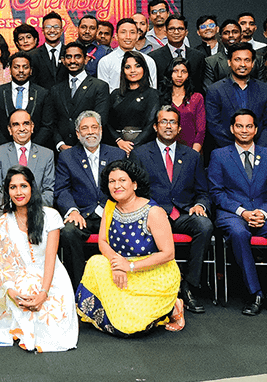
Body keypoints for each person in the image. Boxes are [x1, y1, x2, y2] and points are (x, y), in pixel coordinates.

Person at [76, 158, 184, 335]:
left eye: (122, 180)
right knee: (95, 263)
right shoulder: (110, 207)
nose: (116, 185)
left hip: (153, 272)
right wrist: (117, 264)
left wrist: (131, 266)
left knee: (128, 327)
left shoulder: (153, 212)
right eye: (112, 181)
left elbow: (168, 253)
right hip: (122, 267)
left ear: (134, 184)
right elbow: (102, 241)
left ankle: (173, 307)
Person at [207, 110, 267, 317]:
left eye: (249, 126)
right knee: (239, 234)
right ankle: (254, 292)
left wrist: (263, 213)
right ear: (232, 129)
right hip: (233, 213)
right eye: (239, 126)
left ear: (256, 129)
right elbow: (216, 192)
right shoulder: (219, 155)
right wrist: (243, 212)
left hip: (265, 212)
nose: (244, 130)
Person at [132, 105, 213, 313]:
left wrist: (200, 205)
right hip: (153, 214)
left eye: (173, 122)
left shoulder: (192, 156)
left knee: (204, 225)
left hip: (184, 213)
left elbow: (203, 191)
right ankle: (155, 289)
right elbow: (133, 191)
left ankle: (188, 287)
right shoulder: (140, 153)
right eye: (164, 122)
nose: (168, 126)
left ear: (179, 129)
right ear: (155, 126)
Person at [0, 166, 78, 352]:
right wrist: (11, 292)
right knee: (25, 293)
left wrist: (43, 293)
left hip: (51, 278)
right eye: (13, 187)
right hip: (19, 279)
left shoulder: (50, 216)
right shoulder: (4, 221)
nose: (18, 192)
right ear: (7, 191)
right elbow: (2, 265)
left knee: (52, 324)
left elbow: (51, 259)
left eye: (23, 186)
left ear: (32, 188)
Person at [53, 112, 126, 287]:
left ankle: (120, 285)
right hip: (82, 215)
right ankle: (78, 287)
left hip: (112, 213)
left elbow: (125, 187)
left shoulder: (117, 154)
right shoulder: (67, 156)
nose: (90, 132)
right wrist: (73, 210)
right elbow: (62, 189)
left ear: (101, 130)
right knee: (68, 232)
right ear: (78, 134)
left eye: (94, 127)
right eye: (85, 128)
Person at [205, 45, 267, 151]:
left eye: (247, 60)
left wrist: (259, 149)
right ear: (229, 62)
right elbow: (214, 124)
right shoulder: (215, 90)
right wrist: (236, 150)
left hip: (259, 151)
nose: (242, 64)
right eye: (237, 60)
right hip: (226, 153)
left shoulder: (264, 89)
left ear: (253, 63)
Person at [42, 42, 110, 151]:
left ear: (86, 59)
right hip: (62, 151)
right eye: (69, 57)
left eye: (77, 57)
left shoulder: (99, 87)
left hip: (90, 148)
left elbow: (101, 120)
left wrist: (82, 145)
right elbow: (52, 121)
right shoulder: (56, 89)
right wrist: (60, 144)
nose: (73, 61)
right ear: (63, 61)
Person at [0, 108, 55, 212]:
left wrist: (29, 207)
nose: (22, 128)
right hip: (4, 210)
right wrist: (15, 207)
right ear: (10, 129)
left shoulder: (46, 154)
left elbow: (49, 192)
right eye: (16, 124)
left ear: (32, 127)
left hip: (37, 210)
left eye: (26, 124)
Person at [0, 52, 50, 151]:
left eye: (25, 67)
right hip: (2, 150)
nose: (21, 70)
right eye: (16, 67)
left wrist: (30, 148)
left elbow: (47, 125)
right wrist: (8, 148)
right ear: (10, 70)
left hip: (35, 151)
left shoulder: (42, 93)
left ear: (31, 70)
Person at [105, 50, 160, 154]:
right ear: (123, 71)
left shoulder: (152, 94)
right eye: (128, 67)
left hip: (143, 148)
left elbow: (151, 125)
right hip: (117, 147)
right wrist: (119, 141)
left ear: (144, 69)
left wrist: (133, 146)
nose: (133, 70)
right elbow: (107, 122)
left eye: (137, 66)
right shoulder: (115, 94)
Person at [97, 17, 158, 92]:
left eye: (132, 32)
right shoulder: (105, 62)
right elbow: (103, 93)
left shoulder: (148, 61)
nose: (128, 37)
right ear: (116, 36)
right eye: (123, 32)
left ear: (137, 36)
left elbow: (153, 91)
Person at [162, 57, 205, 153]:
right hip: (167, 151)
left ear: (188, 74)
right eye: (175, 71)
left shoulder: (196, 98)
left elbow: (201, 131)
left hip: (193, 150)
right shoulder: (161, 98)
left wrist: (194, 154)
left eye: (184, 72)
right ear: (170, 73)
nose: (179, 75)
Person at [29, 11, 68, 89]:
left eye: (56, 27)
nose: (52, 30)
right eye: (48, 27)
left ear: (62, 30)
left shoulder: (69, 53)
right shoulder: (32, 55)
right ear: (43, 30)